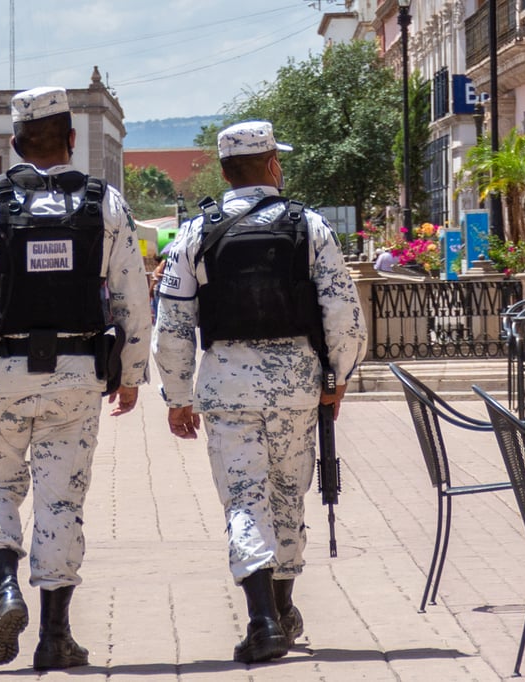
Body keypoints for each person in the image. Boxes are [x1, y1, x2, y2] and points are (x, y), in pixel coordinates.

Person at [0, 86, 151, 671]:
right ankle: (55, 636)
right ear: (73, 139)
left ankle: (5, 590)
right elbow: (134, 298)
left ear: (14, 144)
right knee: (62, 501)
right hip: (78, 373)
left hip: (1, 372)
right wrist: (131, 375)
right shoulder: (105, 205)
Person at [151, 120, 368, 663]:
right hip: (297, 384)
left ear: (225, 173)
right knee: (287, 495)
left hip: (227, 386)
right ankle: (283, 604)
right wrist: (338, 378)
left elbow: (173, 322)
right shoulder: (309, 226)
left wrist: (178, 394)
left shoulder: (195, 232)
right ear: (273, 165)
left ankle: (263, 620)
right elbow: (342, 311)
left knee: (244, 499)